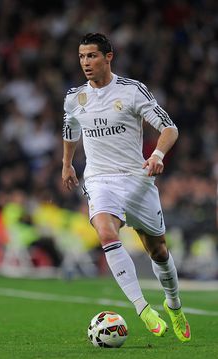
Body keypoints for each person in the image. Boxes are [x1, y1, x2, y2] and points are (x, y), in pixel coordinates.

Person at [62, 32, 191, 342]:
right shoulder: (74, 97)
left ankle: (173, 304)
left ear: (109, 57)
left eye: (91, 56)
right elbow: (70, 129)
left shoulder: (133, 91)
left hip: (136, 179)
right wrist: (66, 164)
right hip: (99, 179)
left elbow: (170, 128)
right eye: (81, 57)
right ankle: (142, 307)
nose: (85, 63)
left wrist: (157, 154)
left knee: (158, 250)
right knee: (106, 233)